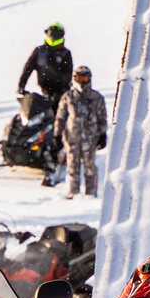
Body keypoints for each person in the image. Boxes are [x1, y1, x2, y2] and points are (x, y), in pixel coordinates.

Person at [55, 66, 107, 200]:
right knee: (73, 166)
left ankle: (91, 194)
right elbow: (60, 117)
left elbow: (102, 117)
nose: (82, 81)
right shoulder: (68, 97)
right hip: (72, 137)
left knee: (90, 167)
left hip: (90, 138)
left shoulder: (96, 98)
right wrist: (57, 134)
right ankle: (73, 193)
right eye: (79, 78)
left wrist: (102, 134)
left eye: (85, 78)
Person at [17, 23, 74, 107]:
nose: (53, 36)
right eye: (51, 33)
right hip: (43, 94)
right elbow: (27, 69)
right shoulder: (39, 51)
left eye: (56, 34)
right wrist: (21, 86)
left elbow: (68, 73)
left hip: (61, 94)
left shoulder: (65, 53)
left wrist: (64, 89)